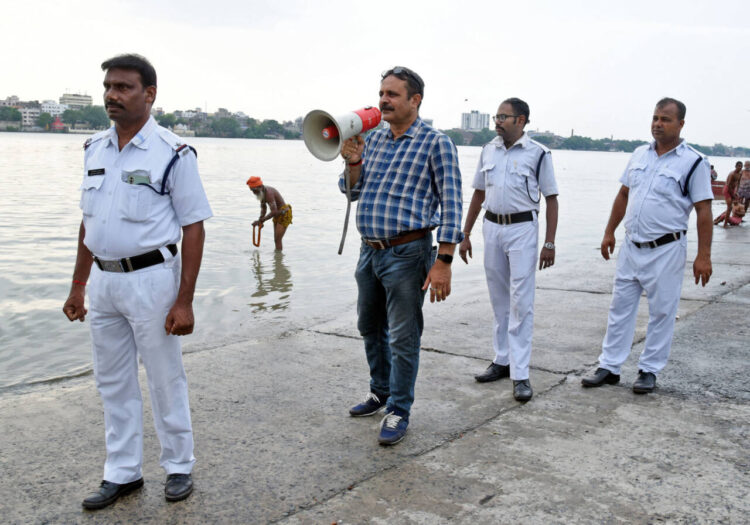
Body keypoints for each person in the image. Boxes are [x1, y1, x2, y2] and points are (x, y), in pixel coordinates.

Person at [62, 54, 212, 509]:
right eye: (109, 86)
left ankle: (178, 466)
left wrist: (184, 301)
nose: (112, 95)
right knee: (112, 381)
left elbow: (194, 227)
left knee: (166, 378)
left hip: (151, 279)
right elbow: (89, 223)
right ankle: (122, 473)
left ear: (149, 95)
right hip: (104, 283)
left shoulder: (173, 152)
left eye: (124, 87)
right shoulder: (94, 148)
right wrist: (78, 285)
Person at [338, 66, 462, 445]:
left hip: (408, 253)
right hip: (369, 251)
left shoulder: (435, 143)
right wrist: (353, 161)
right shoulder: (371, 138)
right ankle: (381, 392)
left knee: (403, 336)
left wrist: (444, 261)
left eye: (392, 94)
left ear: (415, 100)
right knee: (368, 326)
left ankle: (400, 409)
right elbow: (351, 192)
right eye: (381, 93)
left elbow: (453, 203)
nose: (383, 100)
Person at [581, 97, 712, 394]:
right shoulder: (639, 154)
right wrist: (609, 232)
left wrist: (704, 255)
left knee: (662, 311)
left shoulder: (694, 162)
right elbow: (624, 195)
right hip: (632, 246)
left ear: (680, 124)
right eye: (655, 118)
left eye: (665, 119)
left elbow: (704, 210)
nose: (658, 124)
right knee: (620, 307)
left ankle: (649, 370)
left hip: (667, 249)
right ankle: (609, 366)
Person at [459, 98, 559, 402]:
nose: (498, 122)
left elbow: (551, 198)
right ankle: (501, 360)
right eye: (496, 116)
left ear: (522, 120)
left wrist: (549, 243)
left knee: (521, 302)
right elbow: (479, 192)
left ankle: (521, 373)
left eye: (504, 117)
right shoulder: (488, 150)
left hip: (522, 230)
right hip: (492, 228)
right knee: (499, 298)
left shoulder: (539, 154)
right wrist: (465, 234)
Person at [247, 176, 292, 250]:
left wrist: (262, 220)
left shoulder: (269, 194)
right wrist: (260, 219)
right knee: (276, 240)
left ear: (260, 187)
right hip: (277, 214)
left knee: (277, 240)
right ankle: (278, 260)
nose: (254, 193)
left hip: (284, 214)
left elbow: (274, 211)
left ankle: (278, 259)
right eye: (252, 190)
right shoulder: (262, 192)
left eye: (254, 190)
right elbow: (263, 208)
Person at [715, 161, 742, 227]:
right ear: (735, 166)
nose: (740, 167)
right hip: (727, 190)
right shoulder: (732, 174)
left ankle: (718, 220)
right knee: (729, 207)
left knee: (729, 208)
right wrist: (732, 195)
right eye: (739, 166)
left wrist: (736, 192)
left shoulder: (740, 174)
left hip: (732, 190)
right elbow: (728, 185)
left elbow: (738, 183)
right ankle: (725, 224)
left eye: (741, 166)